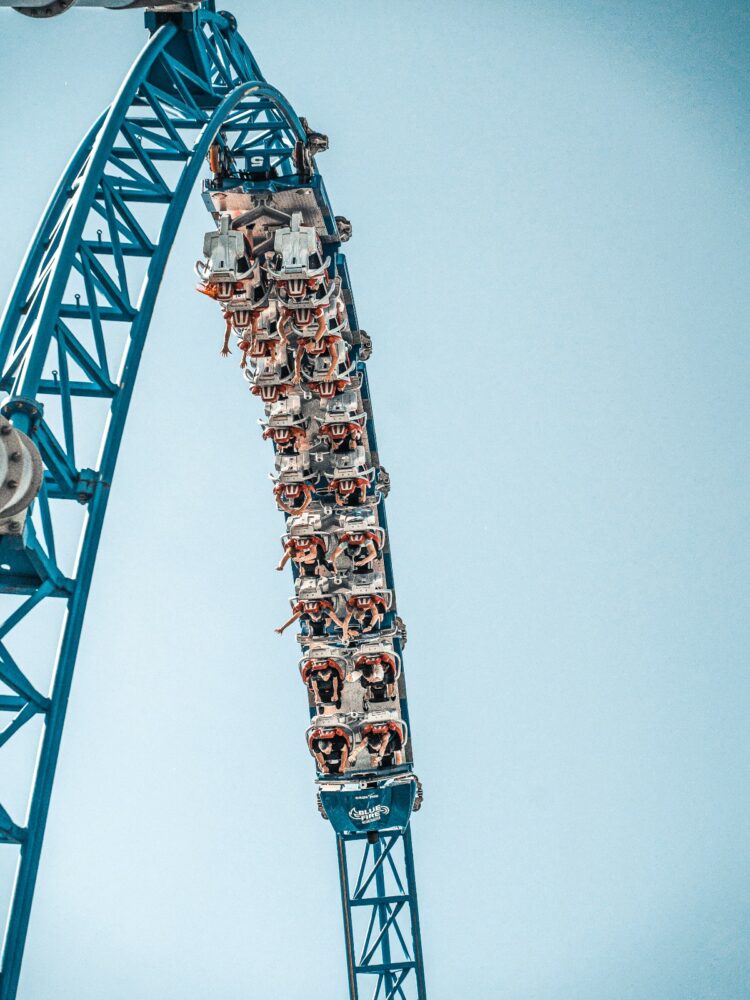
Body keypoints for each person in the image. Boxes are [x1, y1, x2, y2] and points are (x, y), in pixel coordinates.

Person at [275, 598, 344, 638]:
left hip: (314, 609)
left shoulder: (304, 613)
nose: (315, 619)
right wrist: (346, 629)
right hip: (320, 609)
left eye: (314, 619)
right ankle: (312, 631)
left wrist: (282, 628)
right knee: (327, 622)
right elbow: (336, 620)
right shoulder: (324, 609)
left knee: (326, 623)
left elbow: (293, 619)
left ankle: (311, 631)